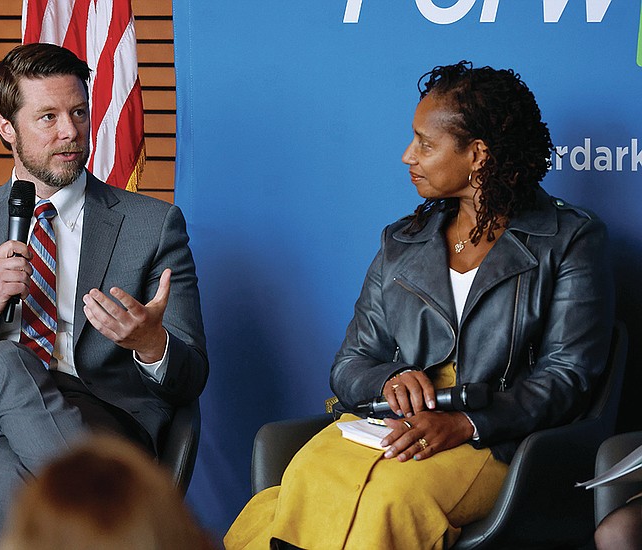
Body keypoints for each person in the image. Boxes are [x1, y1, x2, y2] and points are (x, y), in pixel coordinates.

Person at [224, 60, 614, 549]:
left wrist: (465, 422)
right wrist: (389, 378)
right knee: (306, 475)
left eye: (426, 144)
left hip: (495, 437)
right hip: (388, 421)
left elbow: (568, 375)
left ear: (478, 155)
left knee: (391, 498)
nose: (409, 156)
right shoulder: (401, 243)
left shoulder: (570, 238)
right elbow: (349, 363)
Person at [0, 43, 208, 546]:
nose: (70, 132)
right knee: (0, 364)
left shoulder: (152, 225)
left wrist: (150, 343)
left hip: (100, 420)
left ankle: (108, 509)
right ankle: (119, 512)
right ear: (4, 127)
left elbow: (190, 380)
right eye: (48, 117)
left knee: (11, 466)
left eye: (79, 112)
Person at [0, 432, 216, 550]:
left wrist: (152, 350)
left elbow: (190, 368)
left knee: (1, 462)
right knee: (1, 360)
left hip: (108, 417)